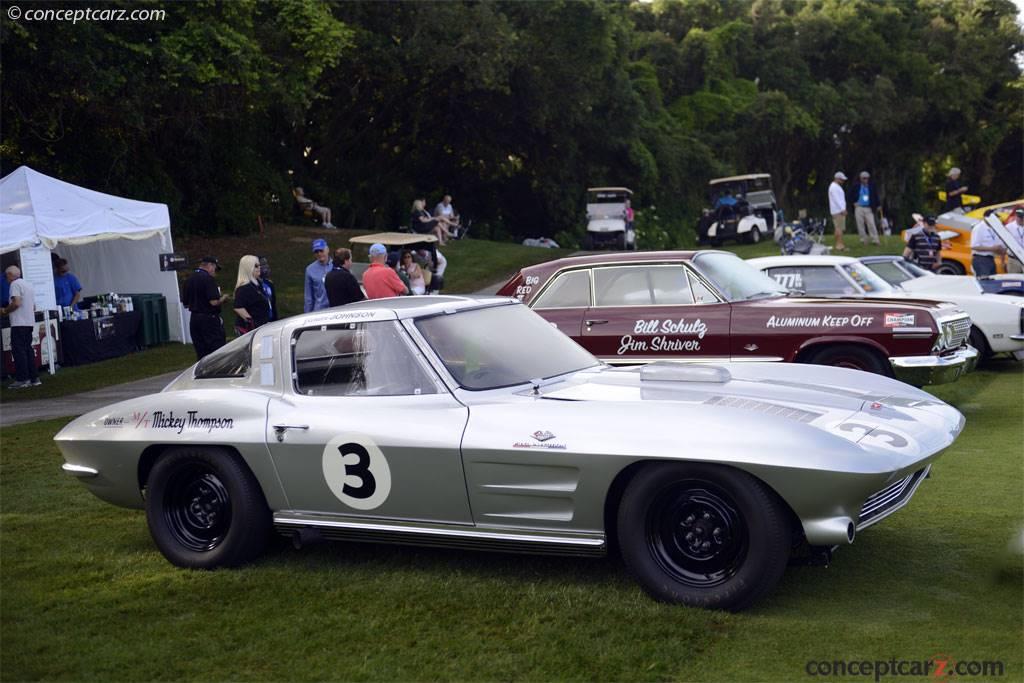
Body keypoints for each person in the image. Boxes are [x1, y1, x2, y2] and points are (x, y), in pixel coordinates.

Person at [2, 266, 40, 388]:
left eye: (6, 276)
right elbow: (33, 306)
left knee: (19, 351)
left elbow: (17, 303)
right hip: (29, 322)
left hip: (19, 323)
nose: (6, 279)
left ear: (10, 275)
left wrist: (5, 311)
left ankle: (23, 379)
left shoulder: (14, 285)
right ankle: (34, 378)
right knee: (28, 350)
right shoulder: (28, 285)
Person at [183, 256, 229, 360]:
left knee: (201, 351)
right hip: (209, 319)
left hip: (194, 319)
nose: (215, 272)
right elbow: (213, 302)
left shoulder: (189, 279)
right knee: (216, 350)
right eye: (215, 269)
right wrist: (223, 298)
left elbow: (186, 303)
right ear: (210, 266)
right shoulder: (208, 279)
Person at [232, 255, 271, 336]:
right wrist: (251, 323)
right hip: (252, 331)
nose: (259, 267)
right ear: (248, 268)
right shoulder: (243, 288)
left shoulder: (257, 284)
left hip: (263, 326)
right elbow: (238, 307)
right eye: (256, 266)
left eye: (259, 265)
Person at [850, 171, 881, 245]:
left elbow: (876, 195)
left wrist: (878, 205)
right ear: (860, 178)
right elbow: (850, 195)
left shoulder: (872, 186)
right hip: (859, 207)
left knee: (871, 223)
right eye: (864, 178)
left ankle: (875, 239)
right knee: (860, 224)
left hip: (868, 207)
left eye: (867, 178)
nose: (865, 180)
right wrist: (854, 202)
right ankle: (864, 239)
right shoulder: (856, 186)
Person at [304, 238, 333, 312]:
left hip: (335, 309)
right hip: (319, 311)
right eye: (316, 252)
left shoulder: (336, 265)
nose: (319, 254)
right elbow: (308, 296)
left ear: (327, 250)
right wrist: (307, 315)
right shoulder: (310, 269)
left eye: (321, 250)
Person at [828, 171, 849, 252]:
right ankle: (839, 245)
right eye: (841, 179)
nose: (843, 181)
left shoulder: (836, 186)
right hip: (838, 211)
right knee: (839, 228)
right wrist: (842, 209)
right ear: (837, 179)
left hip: (838, 210)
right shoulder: (834, 187)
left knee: (839, 228)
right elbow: (837, 199)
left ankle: (839, 244)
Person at [1002, 208, 1024, 274]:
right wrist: (1002, 261)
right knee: (1013, 282)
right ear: (1015, 216)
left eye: (1022, 217)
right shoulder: (1008, 227)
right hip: (1013, 259)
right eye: (1019, 217)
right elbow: (1004, 245)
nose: (1021, 219)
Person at [257, 256, 278, 321]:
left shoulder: (269, 284)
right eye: (262, 264)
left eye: (266, 264)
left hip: (271, 320)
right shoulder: (253, 285)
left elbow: (273, 304)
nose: (266, 267)